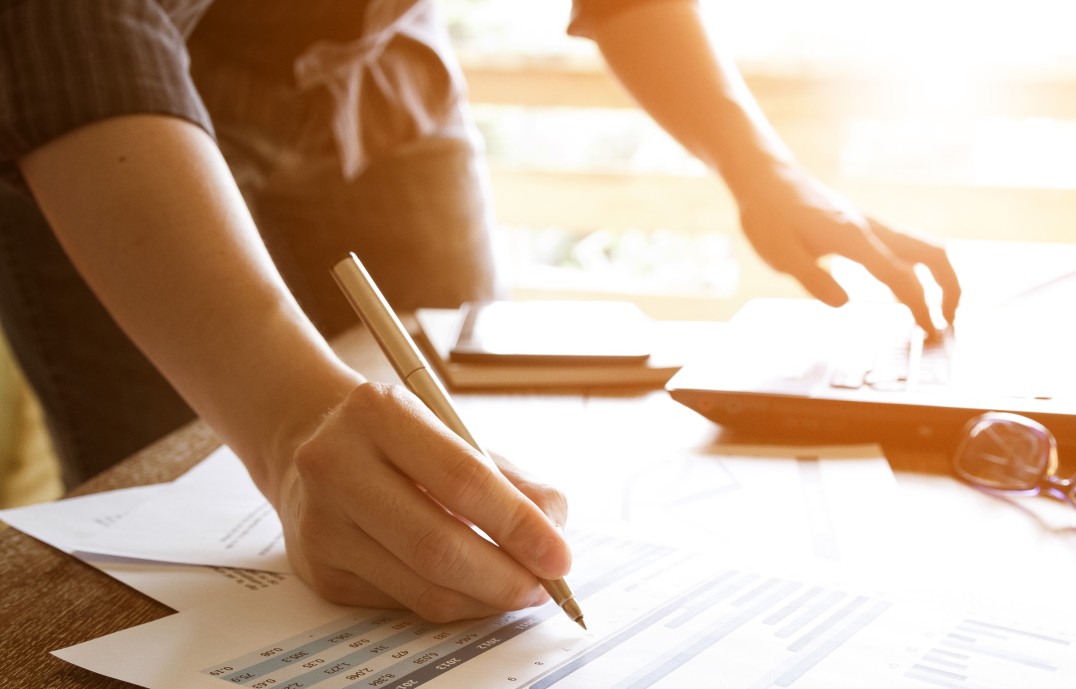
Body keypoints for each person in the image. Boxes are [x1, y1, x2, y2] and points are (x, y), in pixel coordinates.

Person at [0, 0, 960, 623]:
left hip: (389, 79)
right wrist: (284, 419)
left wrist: (763, 169)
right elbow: (73, 28)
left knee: (454, 460)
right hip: (120, 113)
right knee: (160, 538)